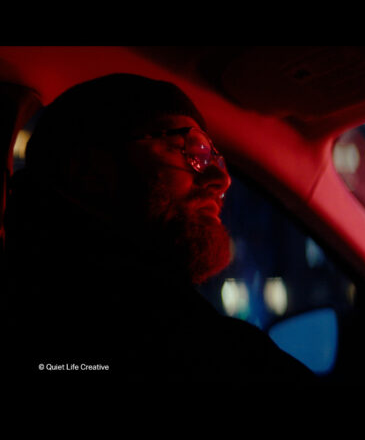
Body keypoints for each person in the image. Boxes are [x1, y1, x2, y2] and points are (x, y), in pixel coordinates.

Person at [1, 73, 316, 382]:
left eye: (213, 160)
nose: (221, 179)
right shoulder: (189, 346)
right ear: (90, 170)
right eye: (190, 150)